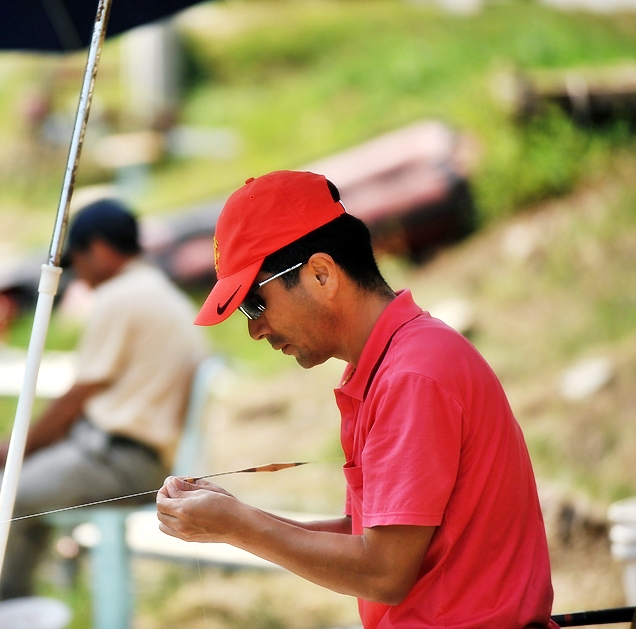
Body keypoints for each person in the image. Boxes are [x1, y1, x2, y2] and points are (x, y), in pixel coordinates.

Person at [156, 170, 558, 629]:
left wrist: (237, 525)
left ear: (321, 274)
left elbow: (384, 572)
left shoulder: (411, 375)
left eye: (254, 302)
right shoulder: (385, 365)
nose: (254, 329)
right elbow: (369, 537)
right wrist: (236, 517)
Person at [0, 200, 208, 629]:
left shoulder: (123, 296)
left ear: (99, 250)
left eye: (78, 262)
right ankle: (8, 615)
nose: (79, 276)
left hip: (117, 460)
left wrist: (17, 449)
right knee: (20, 511)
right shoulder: (163, 294)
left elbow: (76, 398)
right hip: (138, 462)